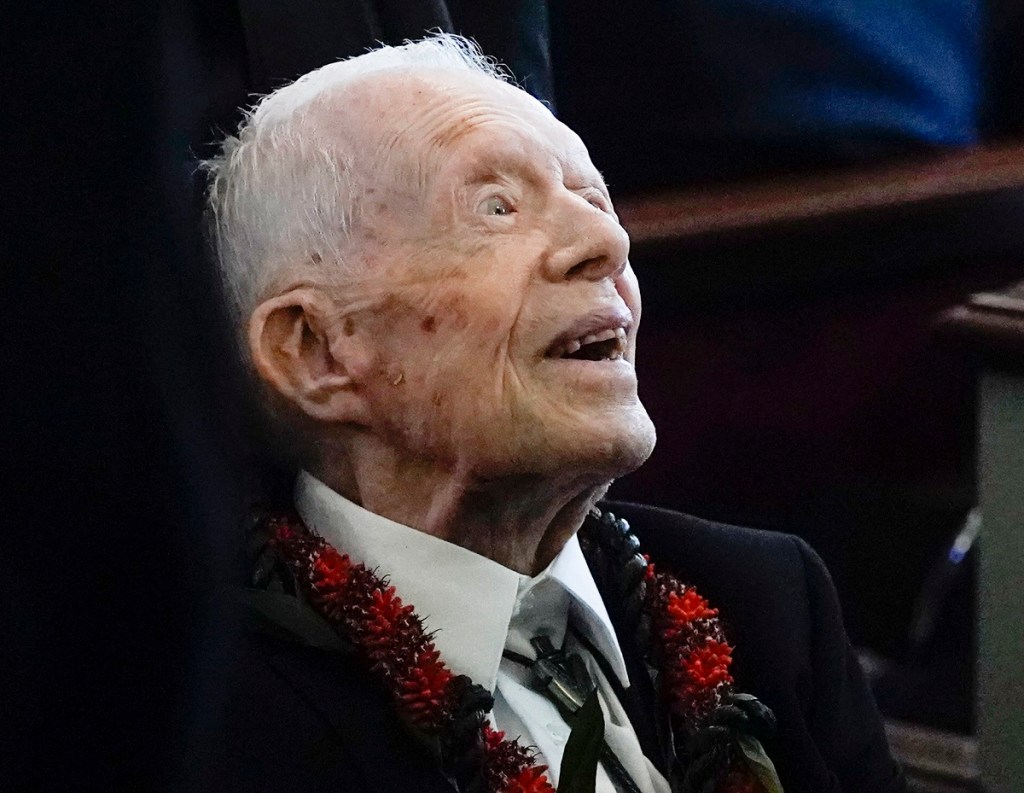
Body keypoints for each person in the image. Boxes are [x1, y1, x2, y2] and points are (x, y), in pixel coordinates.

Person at [198, 34, 905, 793]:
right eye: (496, 208)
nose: (606, 241)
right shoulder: (207, 710)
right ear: (315, 350)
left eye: (593, 199)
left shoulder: (766, 601)